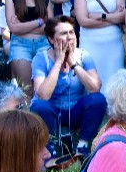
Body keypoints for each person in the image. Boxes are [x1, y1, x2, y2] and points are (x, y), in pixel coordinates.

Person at [30, 17, 106, 159]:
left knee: (98, 100)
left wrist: (74, 63)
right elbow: (43, 95)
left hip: (75, 110)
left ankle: (82, 146)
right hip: (52, 112)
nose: (70, 37)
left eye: (72, 32)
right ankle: (51, 147)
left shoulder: (84, 55)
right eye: (64, 33)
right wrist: (59, 61)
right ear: (52, 39)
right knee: (40, 105)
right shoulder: (40, 59)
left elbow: (95, 88)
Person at [74, 0, 126, 87]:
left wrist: (101, 16)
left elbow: (122, 16)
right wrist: (112, 18)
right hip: (91, 44)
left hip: (114, 44)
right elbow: (83, 21)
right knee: (92, 83)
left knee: (115, 84)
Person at [4, 0, 51, 93]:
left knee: (43, 89)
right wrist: (39, 22)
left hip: (43, 44)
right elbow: (14, 28)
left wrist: (23, 27)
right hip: (20, 44)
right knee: (26, 89)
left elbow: (49, 27)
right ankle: (27, 115)